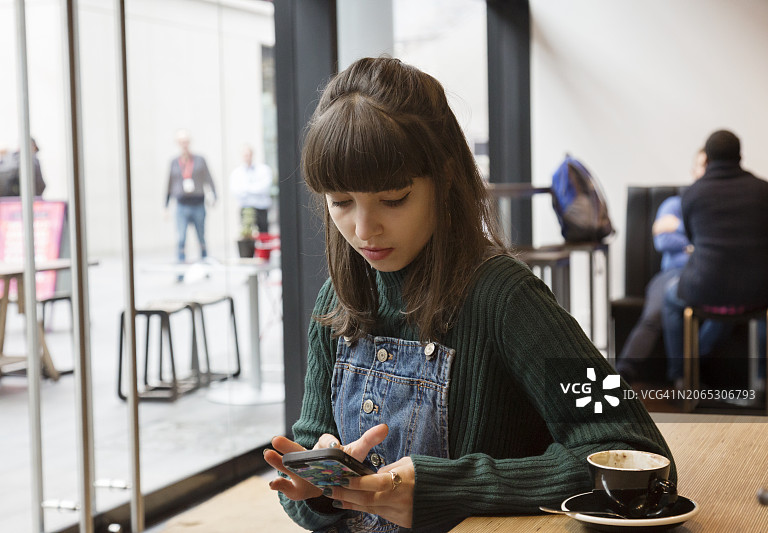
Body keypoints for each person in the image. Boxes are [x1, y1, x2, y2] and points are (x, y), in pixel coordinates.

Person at [262, 57, 674, 533]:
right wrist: (319, 485)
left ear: (447, 177)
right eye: (340, 202)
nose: (363, 229)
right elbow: (306, 451)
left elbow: (639, 455)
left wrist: (450, 488)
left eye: (393, 200)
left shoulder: (508, 299)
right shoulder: (337, 301)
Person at [662, 129, 768, 384]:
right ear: (740, 156)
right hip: (757, 292)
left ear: (707, 159)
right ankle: (762, 381)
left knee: (670, 297)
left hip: (704, 289)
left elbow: (691, 237)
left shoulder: (692, 194)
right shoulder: (763, 190)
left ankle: (681, 376)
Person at [615, 149, 706, 384]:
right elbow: (662, 240)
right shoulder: (674, 203)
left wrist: (679, 230)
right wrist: (695, 243)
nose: (706, 170)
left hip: (708, 274)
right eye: (702, 165)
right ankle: (621, 374)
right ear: (694, 171)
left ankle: (686, 373)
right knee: (655, 311)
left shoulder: (716, 209)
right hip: (672, 274)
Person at [165, 129, 217, 275]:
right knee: (181, 238)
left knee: (201, 238)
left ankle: (205, 268)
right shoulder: (174, 162)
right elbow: (169, 184)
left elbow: (209, 178)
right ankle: (180, 272)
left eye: (186, 141)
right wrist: (166, 205)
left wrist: (214, 195)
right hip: (181, 205)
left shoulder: (200, 160)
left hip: (198, 204)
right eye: (181, 142)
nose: (184, 145)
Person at [0, 140, 46, 220]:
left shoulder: (4, 163)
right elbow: (41, 185)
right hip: (26, 210)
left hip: (4, 211)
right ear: (33, 147)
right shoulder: (33, 162)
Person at [229, 145, 273, 233]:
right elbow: (236, 191)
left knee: (263, 234)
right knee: (246, 234)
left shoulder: (263, 169)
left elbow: (264, 188)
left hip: (261, 208)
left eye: (249, 155)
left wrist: (246, 188)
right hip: (245, 208)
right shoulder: (237, 173)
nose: (247, 157)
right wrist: (255, 188)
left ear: (252, 155)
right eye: (245, 155)